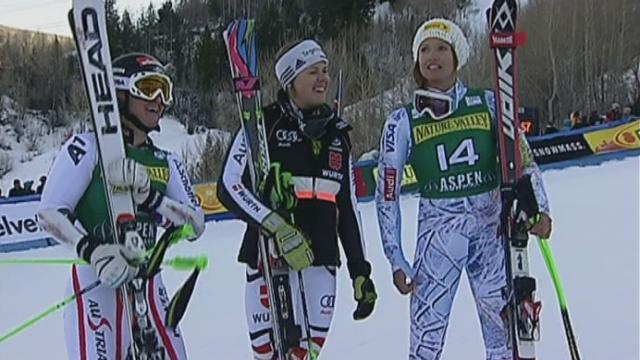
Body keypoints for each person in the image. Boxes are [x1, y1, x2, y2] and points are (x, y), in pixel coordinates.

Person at [375, 19, 552, 360]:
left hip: (490, 231)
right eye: (424, 49)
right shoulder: (402, 120)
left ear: (458, 56)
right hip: (439, 236)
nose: (432, 56)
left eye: (442, 47)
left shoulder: (488, 102)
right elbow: (387, 194)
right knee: (426, 340)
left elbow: (524, 160)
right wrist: (395, 257)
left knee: (503, 335)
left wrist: (539, 209)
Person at [37, 52, 205, 360]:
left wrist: (151, 199)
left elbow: (195, 223)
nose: (159, 99)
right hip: (97, 281)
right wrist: (93, 250)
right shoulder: (85, 147)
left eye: (164, 90)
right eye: (149, 87)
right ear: (121, 92)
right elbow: (49, 213)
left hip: (150, 282)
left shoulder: (166, 160)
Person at [218, 39, 377, 360]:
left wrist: (360, 270)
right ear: (290, 81)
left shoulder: (338, 134)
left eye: (325, 71)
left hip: (321, 261)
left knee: (304, 356)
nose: (323, 78)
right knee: (268, 355)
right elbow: (228, 185)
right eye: (312, 72)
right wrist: (274, 225)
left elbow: (347, 208)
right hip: (269, 258)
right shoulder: (262, 123)